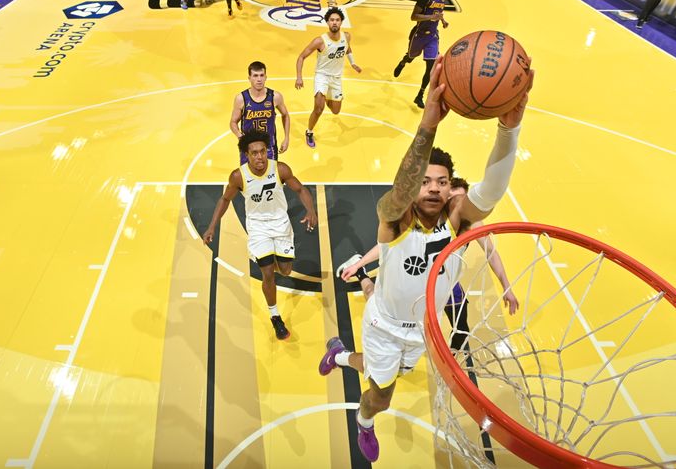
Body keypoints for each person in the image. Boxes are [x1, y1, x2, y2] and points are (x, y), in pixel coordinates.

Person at [319, 56, 534, 462]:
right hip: (384, 325)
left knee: (387, 373)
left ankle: (340, 353)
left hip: (423, 329)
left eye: (443, 182)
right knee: (380, 398)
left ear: (452, 188)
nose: (433, 189)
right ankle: (363, 423)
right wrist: (428, 124)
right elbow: (400, 193)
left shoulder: (458, 223)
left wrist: (509, 128)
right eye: (425, 182)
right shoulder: (396, 219)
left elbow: (491, 189)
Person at [335, 176, 520, 352]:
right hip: (415, 279)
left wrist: (507, 287)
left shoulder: (470, 221)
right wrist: (360, 264)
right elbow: (387, 246)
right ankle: (362, 275)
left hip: (446, 285)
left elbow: (491, 252)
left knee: (461, 328)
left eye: (462, 201)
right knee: (377, 302)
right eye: (454, 199)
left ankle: (449, 363)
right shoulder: (424, 218)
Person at [203, 130, 318, 340]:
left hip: (281, 224)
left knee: (285, 270)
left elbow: (300, 189)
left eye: (263, 152)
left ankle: (271, 256)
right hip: (257, 228)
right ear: (247, 155)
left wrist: (310, 210)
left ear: (268, 151)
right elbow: (225, 200)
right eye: (254, 153)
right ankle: (275, 317)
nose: (259, 157)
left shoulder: (280, 169)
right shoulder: (238, 176)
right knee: (268, 273)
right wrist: (212, 226)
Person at [295, 6, 361, 149]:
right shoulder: (320, 41)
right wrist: (299, 77)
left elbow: (347, 48)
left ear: (341, 22)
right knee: (319, 109)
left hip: (336, 79)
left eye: (337, 20)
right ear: (327, 22)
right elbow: (301, 57)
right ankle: (309, 132)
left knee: (336, 111)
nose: (334, 22)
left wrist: (353, 63)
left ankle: (327, 98)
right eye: (332, 20)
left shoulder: (347, 36)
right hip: (322, 76)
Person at [392, 0, 448, 109]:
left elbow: (438, 13)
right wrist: (430, 18)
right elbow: (414, 16)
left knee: (431, 67)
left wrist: (443, 21)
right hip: (419, 34)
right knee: (411, 57)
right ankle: (403, 62)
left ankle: (420, 95)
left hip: (432, 37)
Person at [230, 61, 291, 164]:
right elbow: (233, 122)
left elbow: (285, 115)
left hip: (269, 147)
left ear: (266, 77)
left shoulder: (275, 96)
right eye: (255, 76)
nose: (259, 79)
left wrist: (286, 138)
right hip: (248, 147)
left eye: (261, 75)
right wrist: (240, 136)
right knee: (248, 177)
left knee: (270, 177)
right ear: (249, 78)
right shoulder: (241, 99)